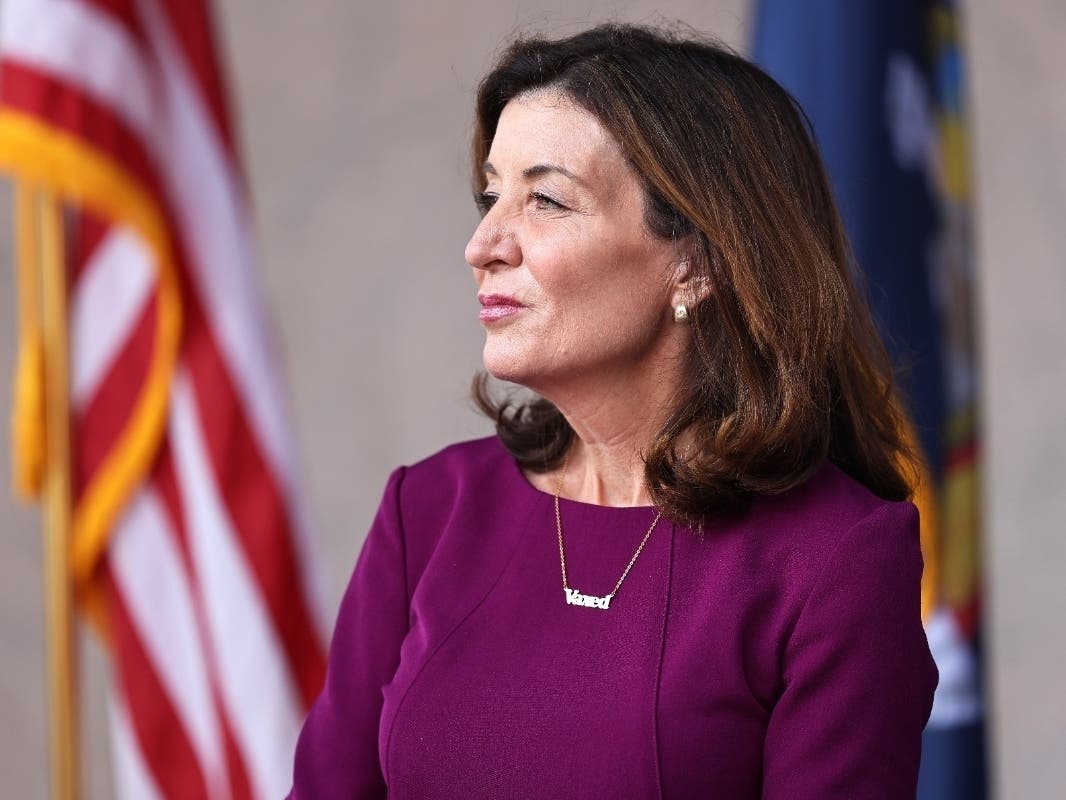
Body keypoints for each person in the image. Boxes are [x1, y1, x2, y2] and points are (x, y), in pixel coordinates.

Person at [288, 23, 937, 799]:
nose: (483, 243)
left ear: (696, 263)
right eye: (492, 196)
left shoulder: (837, 559)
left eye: (547, 200)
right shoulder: (426, 512)